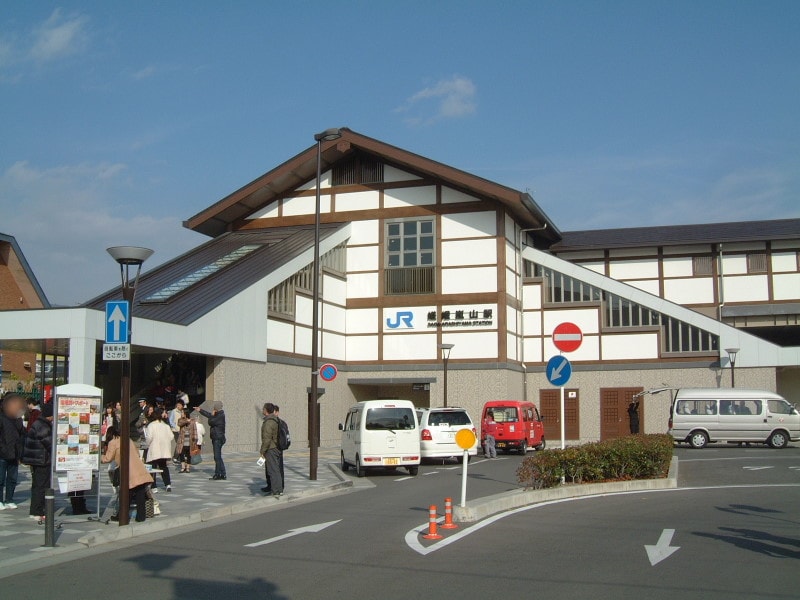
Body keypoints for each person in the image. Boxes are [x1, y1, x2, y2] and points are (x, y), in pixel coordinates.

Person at [101, 427, 152, 522]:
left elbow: (107, 458)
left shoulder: (113, 442)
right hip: (139, 468)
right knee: (140, 494)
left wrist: (99, 457)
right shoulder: (128, 440)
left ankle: (122, 516)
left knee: (125, 494)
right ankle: (141, 517)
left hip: (128, 471)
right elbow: (137, 454)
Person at [21, 401, 53, 521]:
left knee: (37, 485)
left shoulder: (39, 423)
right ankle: (37, 511)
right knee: (41, 485)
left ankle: (36, 510)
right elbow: (48, 443)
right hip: (41, 460)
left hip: (37, 459)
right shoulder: (43, 425)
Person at [0, 393, 26, 510]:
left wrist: (20, 452)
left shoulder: (18, 418)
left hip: (15, 453)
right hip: (2, 453)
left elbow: (22, 436)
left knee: (12, 479)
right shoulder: (1, 417)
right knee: (0, 479)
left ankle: (9, 499)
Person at [145, 412, 174, 492]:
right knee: (163, 467)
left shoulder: (151, 425)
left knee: (152, 468)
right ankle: (168, 484)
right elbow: (171, 436)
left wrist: (147, 445)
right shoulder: (166, 426)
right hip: (164, 450)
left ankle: (154, 487)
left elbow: (149, 437)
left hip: (154, 449)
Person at [198, 401, 226, 480]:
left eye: (214, 407)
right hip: (218, 437)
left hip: (218, 438)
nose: (213, 408)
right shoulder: (219, 414)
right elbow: (210, 415)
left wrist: (212, 415)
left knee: (217, 457)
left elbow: (211, 421)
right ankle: (223, 473)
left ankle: (218, 474)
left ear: (216, 408)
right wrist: (200, 410)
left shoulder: (220, 415)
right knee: (218, 457)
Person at [260, 403, 283, 497]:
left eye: (263, 409)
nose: (262, 410)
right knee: (276, 469)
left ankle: (275, 490)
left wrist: (262, 451)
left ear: (266, 410)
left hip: (271, 448)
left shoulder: (269, 422)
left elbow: (267, 439)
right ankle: (278, 489)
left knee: (272, 470)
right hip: (277, 447)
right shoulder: (276, 420)